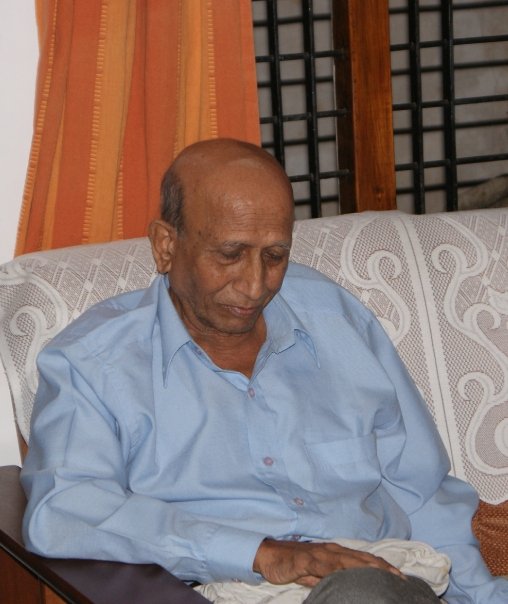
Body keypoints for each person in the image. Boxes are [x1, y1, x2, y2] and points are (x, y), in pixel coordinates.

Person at [21, 138, 508, 603]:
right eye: (229, 255)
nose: (255, 285)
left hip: (384, 580)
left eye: (275, 256)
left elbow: (420, 490)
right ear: (166, 245)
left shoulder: (333, 319)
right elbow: (64, 510)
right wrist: (261, 555)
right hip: (227, 588)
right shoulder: (95, 362)